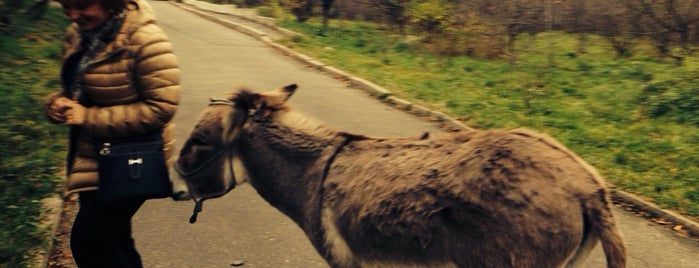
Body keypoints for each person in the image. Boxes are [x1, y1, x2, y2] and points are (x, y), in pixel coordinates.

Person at [43, 0, 180, 267]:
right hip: (90, 158)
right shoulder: (78, 34)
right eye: (66, 7)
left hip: (130, 161)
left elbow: (161, 107)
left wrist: (88, 117)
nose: (73, 15)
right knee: (114, 241)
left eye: (82, 5)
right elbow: (79, 88)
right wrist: (57, 103)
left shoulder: (147, 40)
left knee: (89, 243)